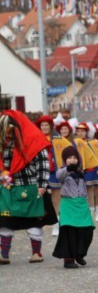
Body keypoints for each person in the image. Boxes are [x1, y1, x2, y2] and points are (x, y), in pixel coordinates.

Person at [0, 110, 56, 265]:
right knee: (5, 221)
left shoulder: (33, 139)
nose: (7, 132)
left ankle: (36, 253)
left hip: (30, 186)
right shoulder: (2, 141)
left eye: (9, 128)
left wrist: (42, 185)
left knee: (33, 221)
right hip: (8, 187)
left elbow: (43, 163)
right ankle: (4, 254)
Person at [52, 144, 95, 268]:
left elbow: (85, 190)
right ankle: (69, 259)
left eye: (75, 157)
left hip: (81, 204)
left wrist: (87, 203)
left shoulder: (81, 172)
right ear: (65, 159)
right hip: (69, 204)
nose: (72, 160)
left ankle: (79, 254)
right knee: (69, 233)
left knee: (87, 231)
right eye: (69, 157)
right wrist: (67, 168)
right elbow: (59, 176)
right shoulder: (62, 171)